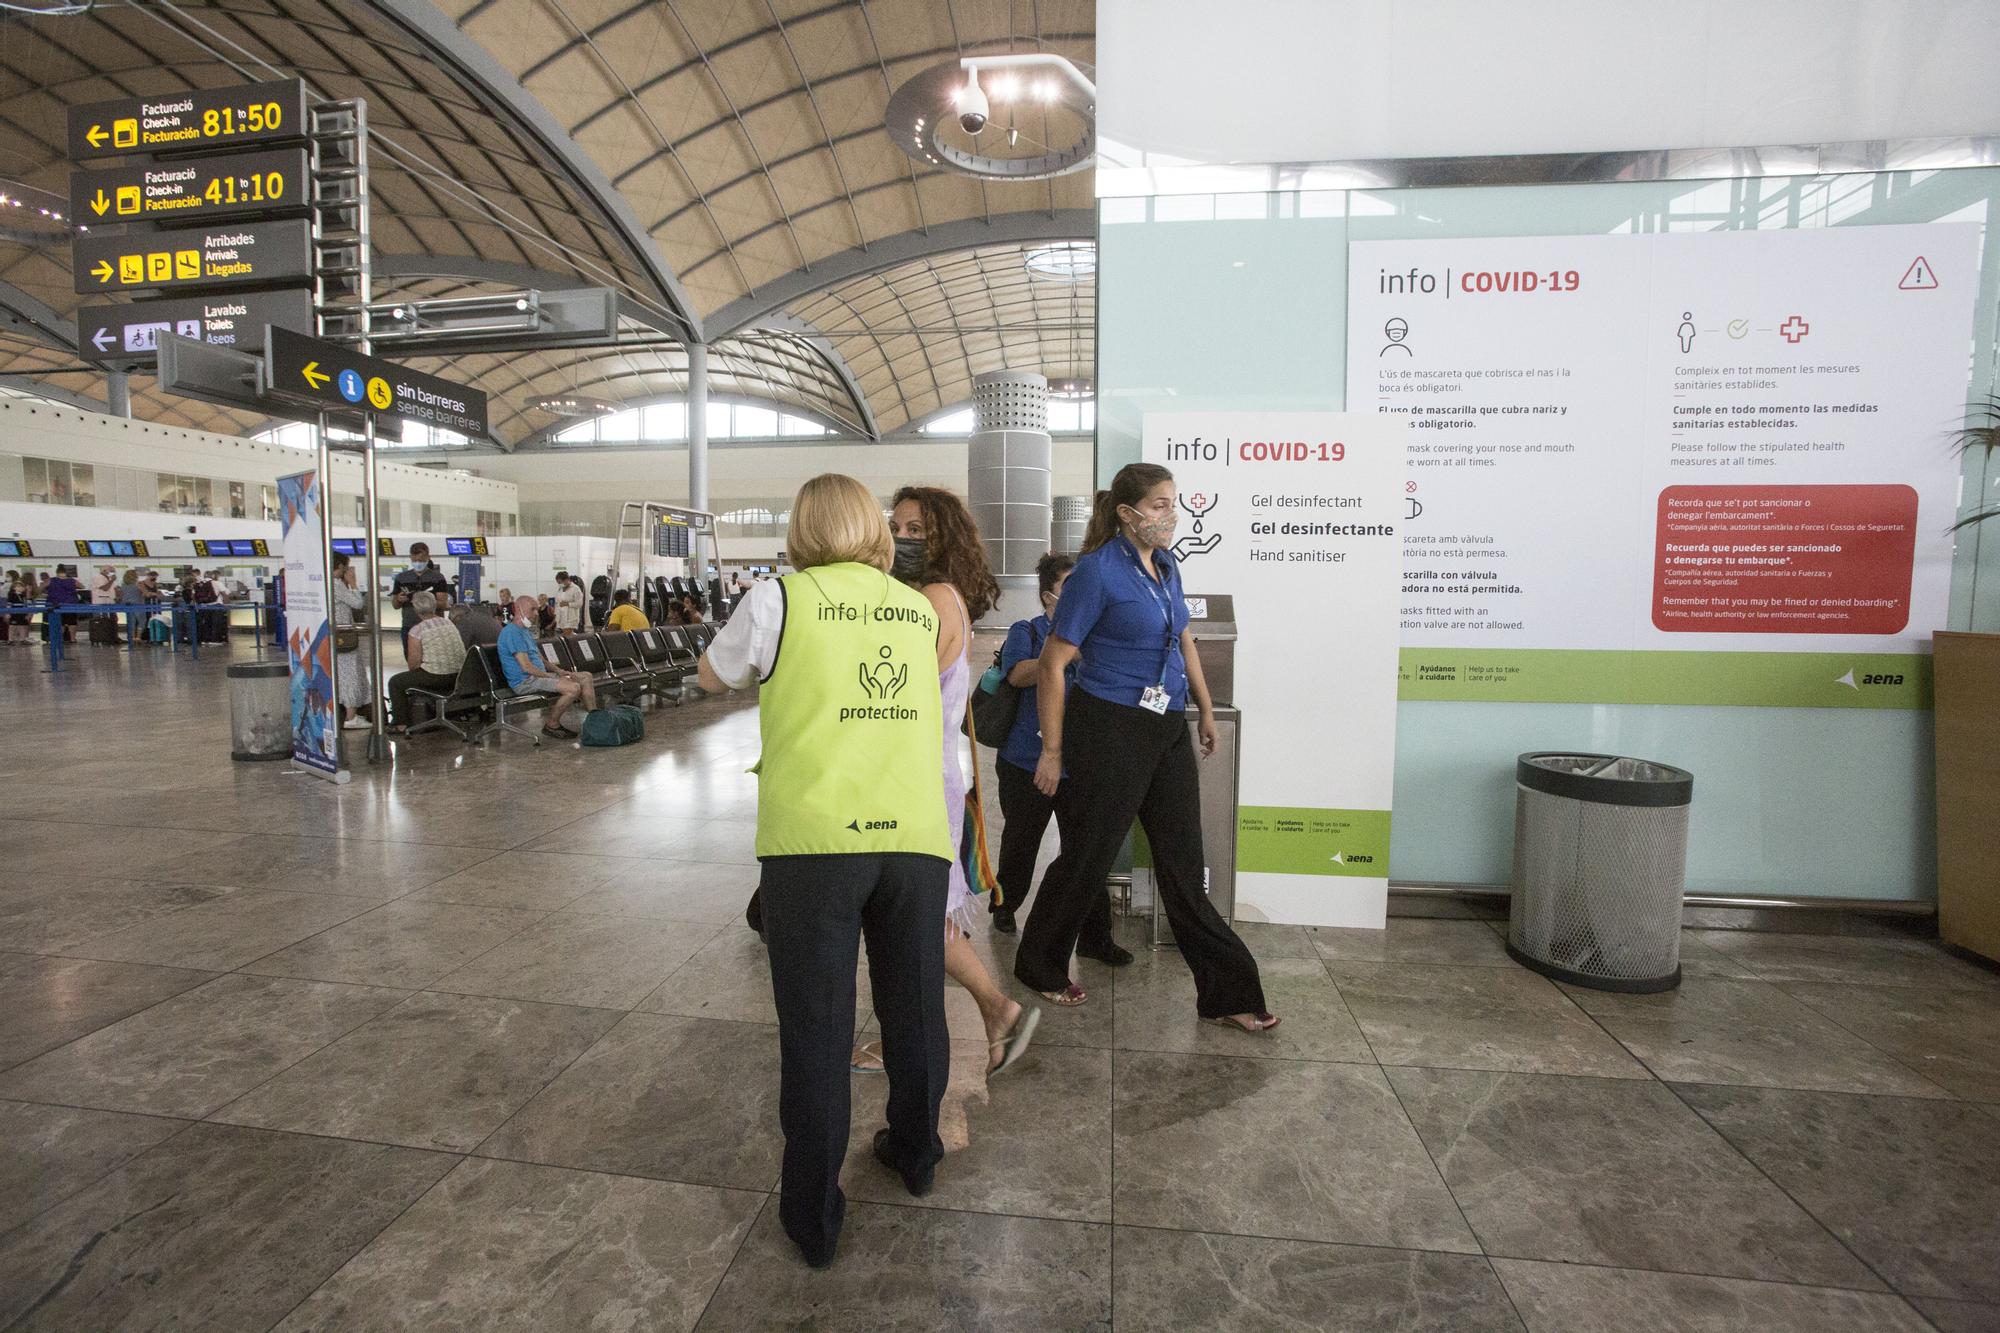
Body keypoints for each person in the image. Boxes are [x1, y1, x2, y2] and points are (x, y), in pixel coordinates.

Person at [696, 473, 959, 1270]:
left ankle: (814, 1213)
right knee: (915, 1008)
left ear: (803, 529)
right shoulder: (916, 608)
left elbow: (715, 676)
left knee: (818, 1029)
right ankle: (915, 1153)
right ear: (877, 532)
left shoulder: (780, 599)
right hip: (913, 834)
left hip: (816, 843)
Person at [1014, 463, 1277, 1032]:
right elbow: (1056, 664)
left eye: (1172, 504)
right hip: (1107, 726)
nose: (1170, 515)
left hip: (1164, 726)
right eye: (1158, 505)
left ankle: (1228, 992)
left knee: (1183, 862)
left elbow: (1183, 636)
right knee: (1088, 854)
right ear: (1126, 513)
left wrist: (1203, 710)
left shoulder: (1167, 566)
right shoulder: (1096, 574)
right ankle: (1038, 962)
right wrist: (1053, 751)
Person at [871, 484, 1040, 1072]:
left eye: (915, 530)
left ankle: (985, 1013)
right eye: (897, 527)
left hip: (916, 772)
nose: (901, 539)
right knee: (917, 911)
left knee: (916, 912)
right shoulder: (923, 594)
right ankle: (993, 1012)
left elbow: (891, 688)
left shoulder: (936, 598)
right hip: (915, 768)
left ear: (944, 537)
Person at [989, 551, 1115, 946]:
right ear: (1048, 597)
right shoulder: (1025, 631)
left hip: (1081, 762)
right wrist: (1062, 654)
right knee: (1021, 842)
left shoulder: (1098, 632)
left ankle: (1097, 935)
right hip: (1025, 759)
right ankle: (1005, 905)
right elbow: (1017, 674)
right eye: (1069, 588)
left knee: (1085, 847)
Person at [499, 594, 597, 739]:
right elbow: (526, 667)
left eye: (537, 610)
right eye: (532, 610)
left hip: (537, 676)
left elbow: (541, 659)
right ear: (518, 609)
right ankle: (552, 724)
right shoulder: (512, 633)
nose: (536, 614)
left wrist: (560, 672)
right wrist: (551, 677)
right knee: (573, 688)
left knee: (585, 677)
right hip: (525, 681)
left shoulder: (524, 632)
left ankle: (595, 720)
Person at [386, 591, 466, 731]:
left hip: (436, 677)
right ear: (434, 606)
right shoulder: (449, 623)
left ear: (416, 609)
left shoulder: (416, 631)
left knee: (396, 682)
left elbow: (413, 665)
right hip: (459, 676)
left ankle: (401, 724)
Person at [330, 553, 373, 730]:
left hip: (334, 636)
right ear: (339, 566)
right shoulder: (336, 584)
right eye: (345, 567)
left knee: (340, 673)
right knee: (350, 674)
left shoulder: (324, 582)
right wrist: (354, 584)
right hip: (344, 636)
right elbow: (357, 603)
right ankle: (351, 716)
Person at [390, 544, 449, 655]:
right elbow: (395, 605)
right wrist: (398, 599)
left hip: (433, 628)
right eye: (415, 560)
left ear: (428, 557)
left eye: (421, 560)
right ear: (410, 558)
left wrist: (424, 599)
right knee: (411, 658)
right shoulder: (401, 578)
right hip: (409, 626)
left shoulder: (438, 578)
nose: (418, 563)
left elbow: (444, 604)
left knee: (433, 657)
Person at [43, 565, 79, 644]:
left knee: (60, 622)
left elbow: (41, 588)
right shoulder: (72, 580)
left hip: (55, 604)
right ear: (66, 573)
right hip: (70, 604)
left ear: (57, 572)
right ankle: (72, 639)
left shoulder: (51, 580)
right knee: (72, 622)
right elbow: (82, 586)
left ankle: (60, 638)